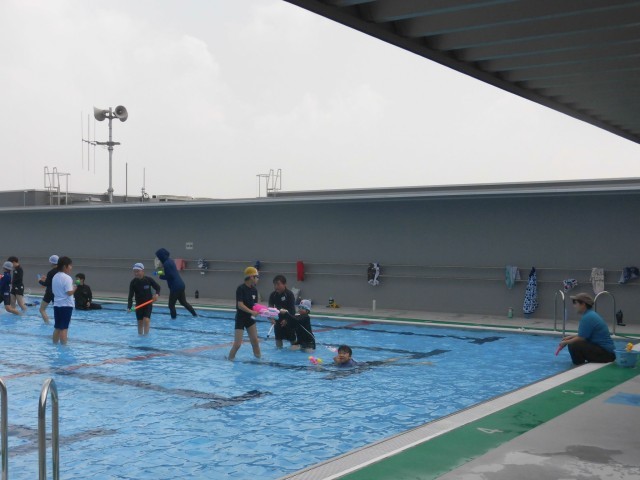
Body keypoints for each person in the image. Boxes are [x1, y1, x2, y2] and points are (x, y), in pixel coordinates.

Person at [558, 292, 616, 365]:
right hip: (608, 353)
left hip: (607, 355)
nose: (574, 306)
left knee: (574, 345)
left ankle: (578, 365)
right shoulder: (590, 314)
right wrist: (570, 337)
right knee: (572, 341)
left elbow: (581, 338)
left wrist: (565, 342)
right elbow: (584, 335)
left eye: (575, 303)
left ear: (583, 304)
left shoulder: (587, 317)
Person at [228, 267, 262, 360]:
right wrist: (252, 312)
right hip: (241, 318)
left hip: (250, 318)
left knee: (255, 342)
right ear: (251, 277)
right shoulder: (241, 288)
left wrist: (264, 312)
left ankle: (259, 360)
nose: (258, 279)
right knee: (237, 344)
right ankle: (230, 359)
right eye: (257, 277)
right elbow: (240, 305)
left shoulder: (254, 290)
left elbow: (255, 305)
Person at [155, 248, 197, 319]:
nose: (158, 259)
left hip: (175, 287)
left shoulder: (166, 264)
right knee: (183, 302)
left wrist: (159, 275)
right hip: (181, 285)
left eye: (158, 257)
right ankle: (195, 315)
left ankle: (173, 320)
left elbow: (169, 276)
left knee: (171, 305)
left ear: (161, 256)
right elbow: (168, 272)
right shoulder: (170, 261)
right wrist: (156, 272)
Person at [127, 263, 161, 335]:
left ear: (142, 271)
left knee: (146, 320)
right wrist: (129, 307)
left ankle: (146, 336)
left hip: (148, 303)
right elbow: (130, 296)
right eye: (134, 271)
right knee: (140, 322)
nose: (136, 273)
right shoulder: (133, 282)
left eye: (137, 271)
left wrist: (157, 294)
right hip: (139, 304)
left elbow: (158, 287)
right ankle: (140, 336)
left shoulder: (148, 280)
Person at [52, 256, 76, 344]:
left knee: (57, 327)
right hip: (66, 306)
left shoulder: (55, 276)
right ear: (65, 266)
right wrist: (75, 288)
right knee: (64, 328)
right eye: (70, 265)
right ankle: (64, 348)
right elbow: (69, 292)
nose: (71, 267)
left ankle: (54, 344)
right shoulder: (67, 278)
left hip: (57, 304)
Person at [268, 274, 297, 348]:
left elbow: (292, 310)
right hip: (278, 320)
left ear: (285, 284)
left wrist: (286, 320)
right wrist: (271, 318)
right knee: (278, 341)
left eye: (278, 284)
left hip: (289, 320)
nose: (276, 286)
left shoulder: (289, 294)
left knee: (293, 341)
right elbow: (270, 308)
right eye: (274, 284)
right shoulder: (273, 295)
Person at [38, 254, 59, 324]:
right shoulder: (61, 272)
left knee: (42, 309)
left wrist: (40, 281)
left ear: (52, 262)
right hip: (57, 293)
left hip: (49, 293)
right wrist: (47, 278)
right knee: (57, 311)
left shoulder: (51, 272)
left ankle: (47, 324)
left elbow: (46, 284)